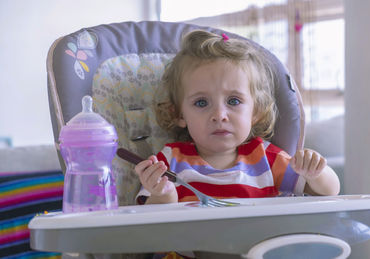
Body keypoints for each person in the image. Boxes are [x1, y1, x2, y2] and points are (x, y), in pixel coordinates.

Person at [134, 29, 340, 206]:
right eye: (201, 103)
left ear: (256, 111)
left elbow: (328, 192)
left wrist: (316, 173)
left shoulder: (267, 159)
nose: (219, 115)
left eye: (233, 101)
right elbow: (151, 223)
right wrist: (164, 194)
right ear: (178, 114)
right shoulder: (169, 162)